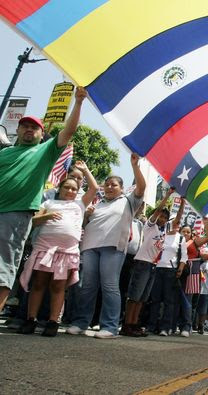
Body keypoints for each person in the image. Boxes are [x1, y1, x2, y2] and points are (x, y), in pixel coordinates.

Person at [0, 87, 86, 313]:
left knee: (1, 270)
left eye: (34, 127)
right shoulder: (3, 153)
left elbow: (68, 131)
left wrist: (77, 102)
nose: (29, 130)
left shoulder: (45, 152)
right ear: (17, 130)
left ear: (41, 134)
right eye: (25, 126)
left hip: (15, 215)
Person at [66, 154, 146, 339]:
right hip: (90, 247)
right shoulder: (98, 204)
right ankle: (80, 323)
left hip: (113, 249)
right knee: (87, 286)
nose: (109, 187)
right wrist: (87, 215)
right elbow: (85, 224)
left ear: (122, 188)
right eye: (107, 184)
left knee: (109, 286)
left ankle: (109, 327)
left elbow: (142, 187)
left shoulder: (129, 201)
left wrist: (135, 166)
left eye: (114, 185)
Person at [17, 161, 97, 336]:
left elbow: (94, 188)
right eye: (67, 187)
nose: (70, 191)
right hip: (44, 249)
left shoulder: (80, 204)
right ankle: (31, 319)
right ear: (60, 188)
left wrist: (85, 170)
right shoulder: (48, 202)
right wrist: (47, 216)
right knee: (38, 284)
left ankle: (53, 321)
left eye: (74, 189)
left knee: (58, 286)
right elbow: (34, 221)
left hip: (66, 252)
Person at [120, 188, 173, 337]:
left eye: (164, 218)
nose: (161, 219)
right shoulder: (150, 227)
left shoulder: (163, 233)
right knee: (134, 296)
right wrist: (167, 196)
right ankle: (127, 324)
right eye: (160, 216)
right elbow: (157, 211)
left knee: (142, 298)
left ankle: (134, 323)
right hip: (142, 263)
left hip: (153, 266)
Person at [146, 200, 186, 336]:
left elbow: (183, 258)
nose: (176, 224)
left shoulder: (180, 239)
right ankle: (151, 326)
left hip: (170, 270)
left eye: (178, 223)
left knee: (169, 301)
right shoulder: (162, 234)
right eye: (174, 222)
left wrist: (182, 203)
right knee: (155, 299)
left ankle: (165, 327)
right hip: (157, 269)